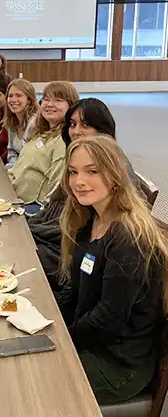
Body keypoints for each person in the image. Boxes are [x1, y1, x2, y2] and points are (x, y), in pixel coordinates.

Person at [57, 135, 167, 405]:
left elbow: (108, 319)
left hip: (120, 364)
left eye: (92, 171)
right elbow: (75, 290)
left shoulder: (128, 237)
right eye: (73, 172)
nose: (79, 181)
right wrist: (49, 323)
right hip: (93, 342)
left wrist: (61, 339)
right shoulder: (90, 220)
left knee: (35, 378)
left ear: (115, 176)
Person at [29, 98, 141, 292]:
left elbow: (134, 210)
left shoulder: (115, 166)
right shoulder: (76, 158)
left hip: (80, 251)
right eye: (72, 124)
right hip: (68, 239)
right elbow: (56, 206)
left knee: (22, 255)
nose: (77, 131)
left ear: (103, 129)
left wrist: (33, 231)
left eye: (86, 124)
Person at [8, 81, 80, 203]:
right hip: (13, 195)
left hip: (32, 207)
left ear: (71, 106)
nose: (50, 104)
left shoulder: (63, 140)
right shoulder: (39, 132)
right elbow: (20, 166)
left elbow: (56, 189)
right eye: (46, 99)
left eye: (58, 100)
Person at [4, 79, 39, 168]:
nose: (13, 100)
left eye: (19, 95)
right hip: (14, 169)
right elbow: (11, 150)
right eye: (10, 96)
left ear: (29, 100)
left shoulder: (35, 124)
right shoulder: (12, 121)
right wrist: (12, 166)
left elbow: (31, 158)